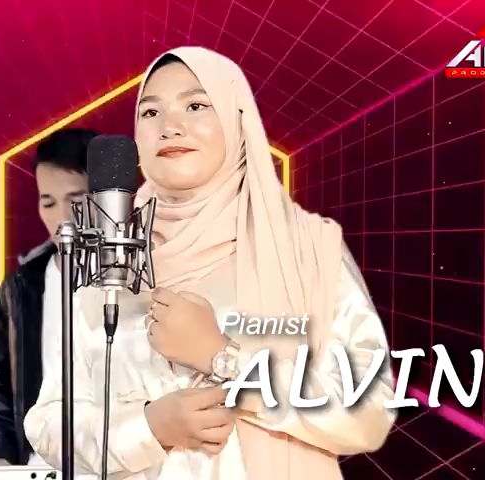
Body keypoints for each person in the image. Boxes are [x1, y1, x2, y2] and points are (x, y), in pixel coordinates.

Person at [23, 47, 397, 479]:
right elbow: (50, 422)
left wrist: (222, 358)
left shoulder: (307, 247)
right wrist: (150, 428)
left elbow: (370, 410)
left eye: (196, 106)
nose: (170, 126)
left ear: (238, 121)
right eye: (151, 112)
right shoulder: (103, 256)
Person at [0, 127, 98, 465]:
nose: (62, 217)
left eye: (76, 201)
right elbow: (0, 383)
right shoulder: (21, 287)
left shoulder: (141, 277)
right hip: (39, 466)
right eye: (48, 202)